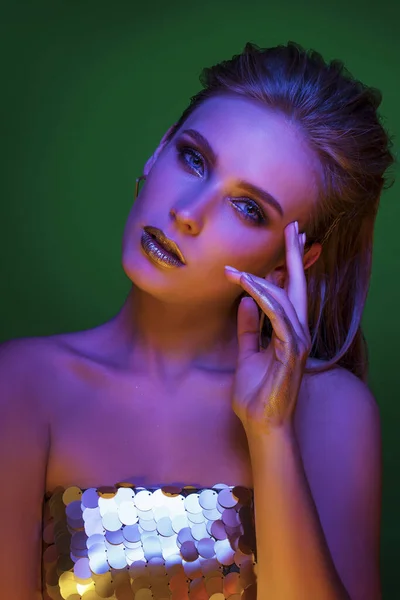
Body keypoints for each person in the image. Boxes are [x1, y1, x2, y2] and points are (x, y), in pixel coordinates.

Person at [0, 41, 394, 600]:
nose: (188, 212)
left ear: (293, 261)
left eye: (248, 208)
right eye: (193, 158)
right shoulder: (21, 385)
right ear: (158, 151)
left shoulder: (334, 411)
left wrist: (270, 432)